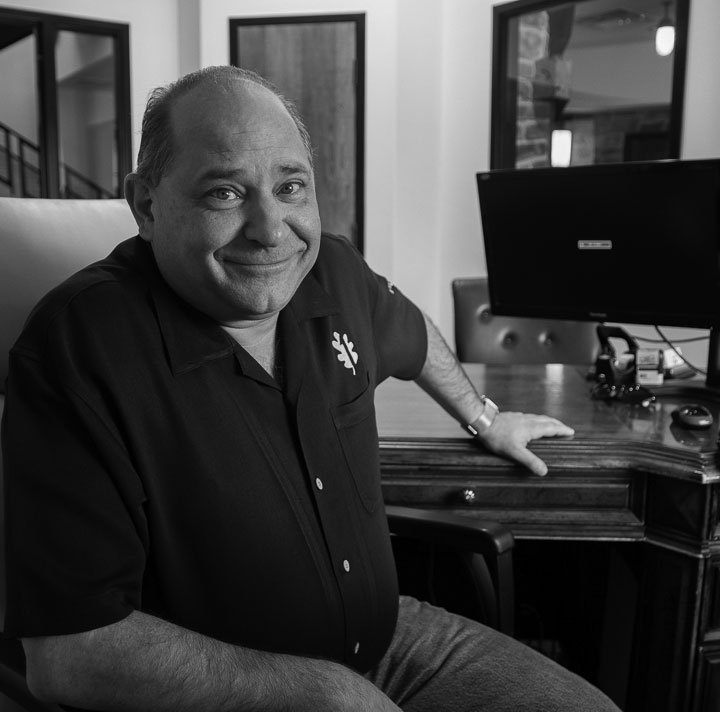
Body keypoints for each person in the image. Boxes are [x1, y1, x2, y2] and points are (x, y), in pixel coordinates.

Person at [1, 66, 620, 712]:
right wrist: (325, 693)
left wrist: (484, 417)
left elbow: (412, 334)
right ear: (147, 205)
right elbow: (69, 652)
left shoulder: (333, 272)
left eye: (290, 187)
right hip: (230, 691)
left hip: (391, 641)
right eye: (224, 193)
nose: (271, 230)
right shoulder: (79, 346)